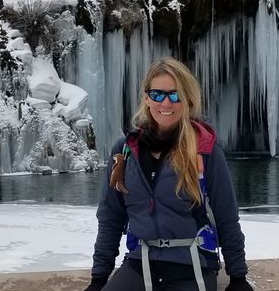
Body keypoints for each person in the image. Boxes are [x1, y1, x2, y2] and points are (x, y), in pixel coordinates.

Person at [85, 57, 254, 291]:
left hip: (191, 266)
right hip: (139, 263)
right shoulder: (124, 152)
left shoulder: (205, 152)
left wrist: (238, 278)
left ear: (187, 100)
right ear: (146, 98)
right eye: (157, 95)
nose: (166, 103)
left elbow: (227, 217)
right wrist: (99, 278)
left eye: (175, 95)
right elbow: (110, 219)